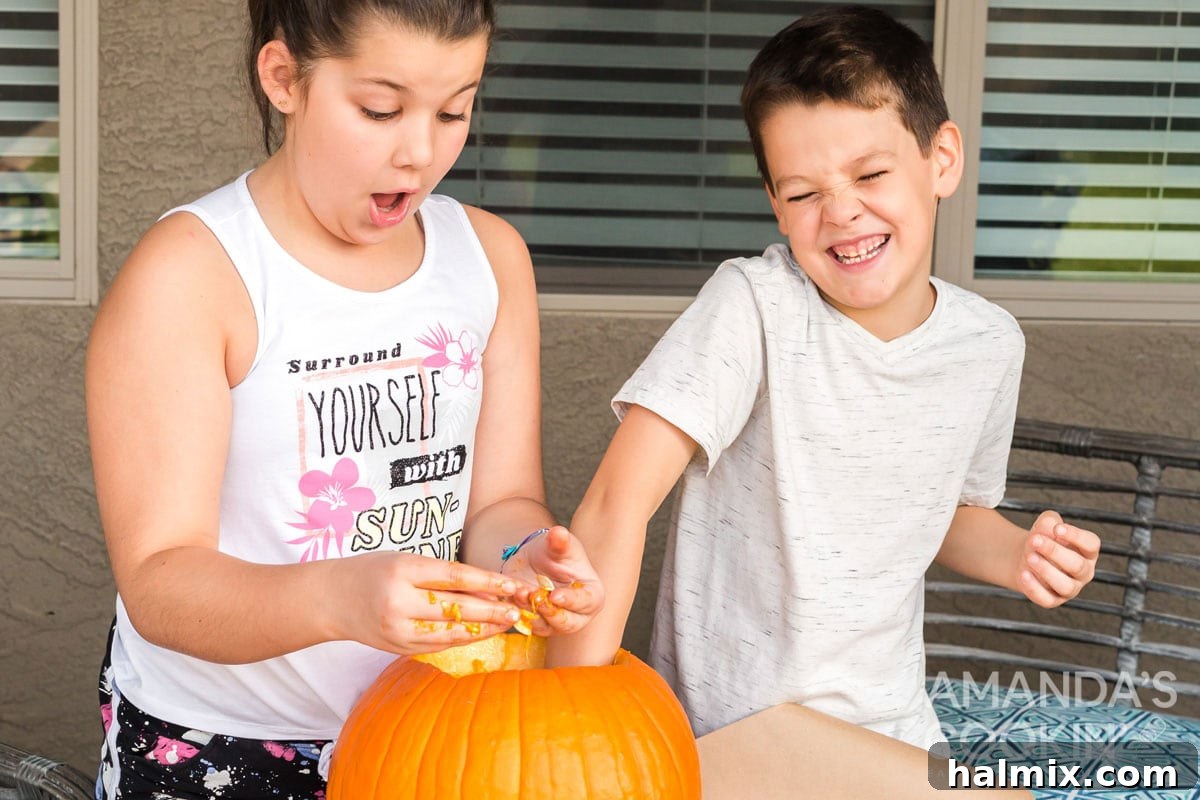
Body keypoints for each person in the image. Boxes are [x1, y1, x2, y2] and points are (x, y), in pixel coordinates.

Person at [85, 2, 603, 797]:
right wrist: (341, 596)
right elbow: (160, 580)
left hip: (429, 730)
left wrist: (520, 560)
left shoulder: (490, 259)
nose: (421, 152)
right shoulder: (192, 274)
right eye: (380, 110)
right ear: (284, 77)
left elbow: (500, 501)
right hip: (221, 745)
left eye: (455, 109)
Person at [551, 4, 1101, 752]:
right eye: (804, 192)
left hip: (894, 725)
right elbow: (615, 507)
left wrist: (1016, 553)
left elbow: (939, 512)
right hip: (740, 735)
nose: (841, 212)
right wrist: (566, 723)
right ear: (777, 204)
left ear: (941, 160)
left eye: (870, 173)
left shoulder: (989, 345)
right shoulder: (754, 306)